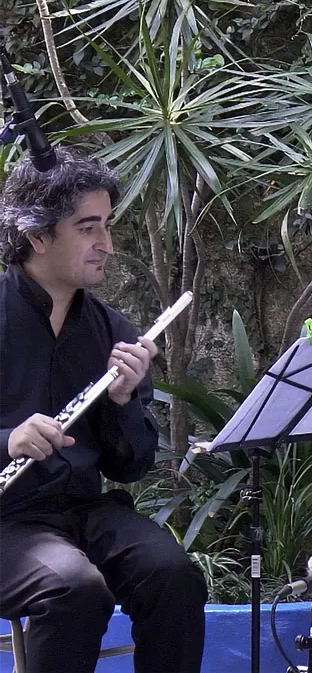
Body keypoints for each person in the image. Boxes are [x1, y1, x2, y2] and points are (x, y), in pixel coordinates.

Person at [0, 147, 207, 673]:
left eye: (107, 226)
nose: (106, 245)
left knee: (175, 574)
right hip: (7, 520)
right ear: (38, 236)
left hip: (85, 513)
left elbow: (130, 467)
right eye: (88, 228)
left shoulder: (114, 332)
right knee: (73, 588)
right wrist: (8, 438)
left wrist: (121, 401)